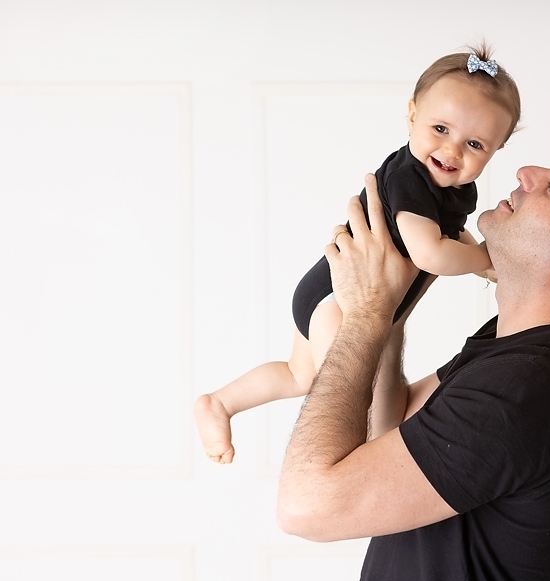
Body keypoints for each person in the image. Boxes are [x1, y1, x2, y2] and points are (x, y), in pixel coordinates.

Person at [276, 152, 550, 581]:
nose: (527, 173)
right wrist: (391, 304)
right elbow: (390, 428)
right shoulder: (543, 347)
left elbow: (305, 507)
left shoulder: (530, 389)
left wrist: (366, 314)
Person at [194, 43, 521, 463]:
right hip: (340, 302)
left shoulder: (454, 187)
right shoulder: (411, 177)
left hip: (329, 292)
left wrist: (485, 265)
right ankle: (340, 478)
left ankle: (220, 403)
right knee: (353, 408)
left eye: (475, 144)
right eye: (440, 129)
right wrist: (485, 259)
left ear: (496, 150)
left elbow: (452, 234)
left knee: (300, 376)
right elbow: (431, 253)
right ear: (412, 114)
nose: (452, 151)